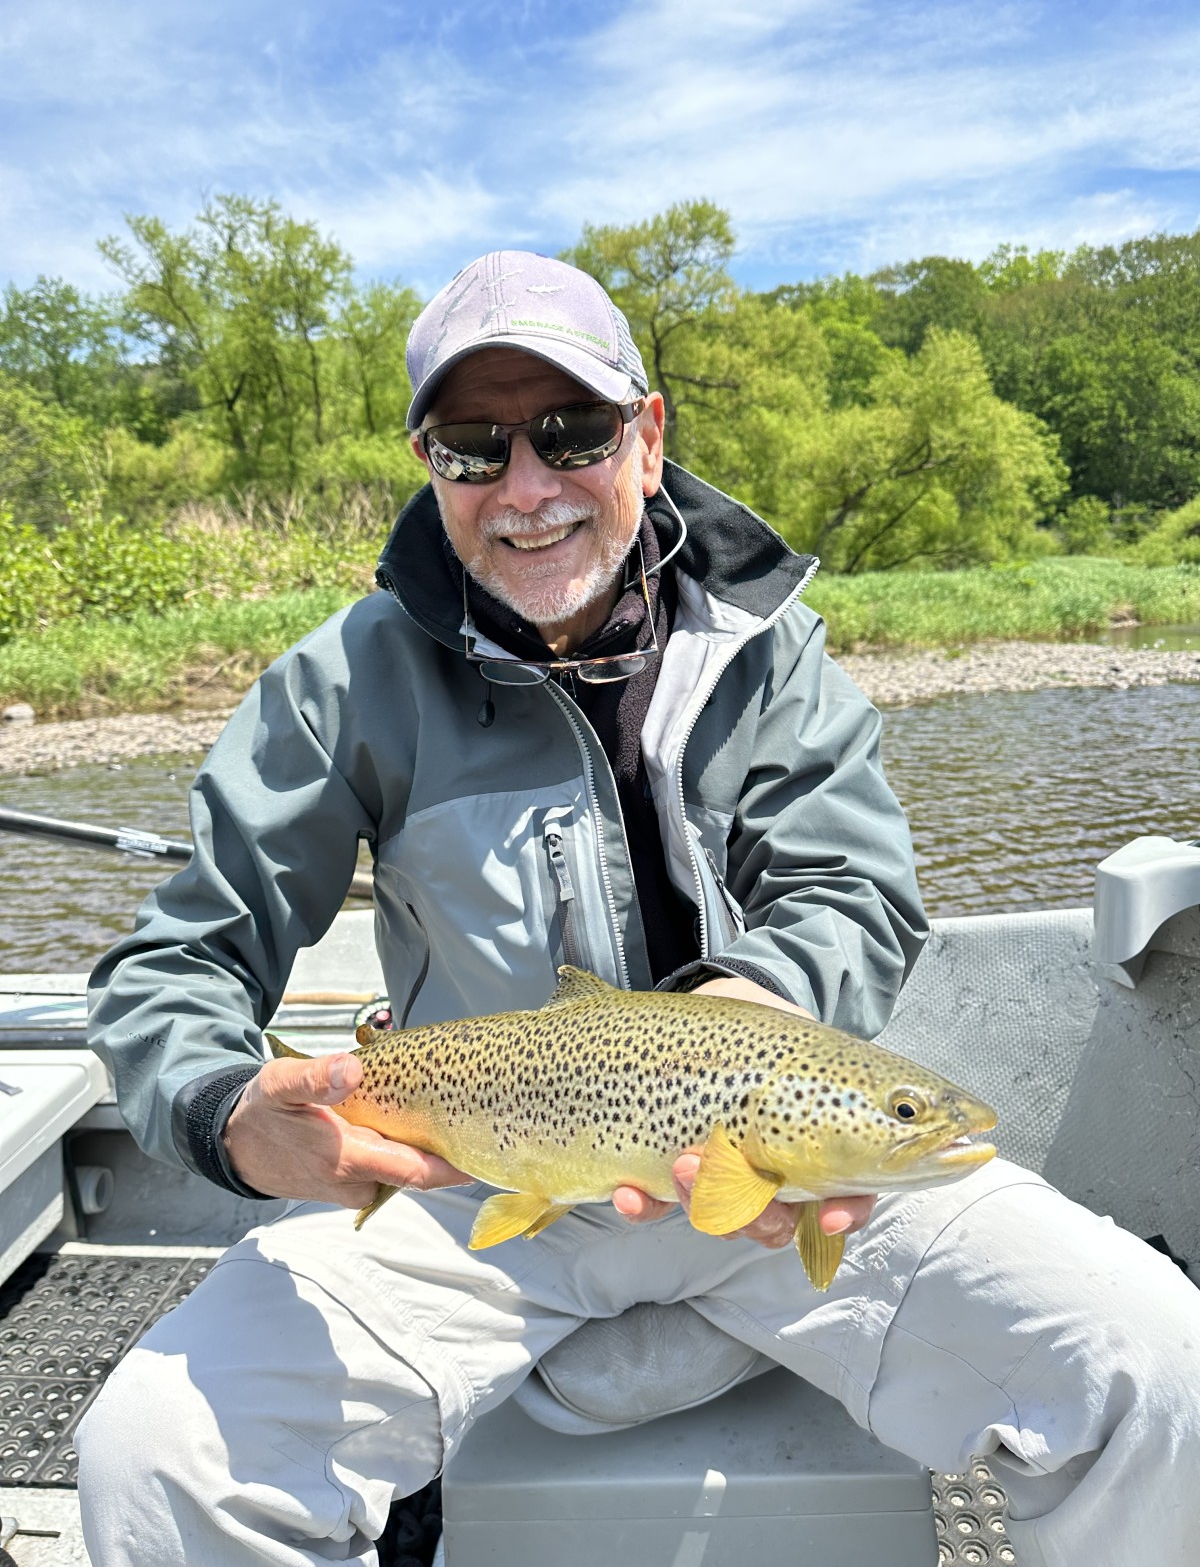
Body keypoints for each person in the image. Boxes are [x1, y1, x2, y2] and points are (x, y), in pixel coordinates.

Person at [77, 251, 1200, 1567]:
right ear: (430, 465)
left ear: (647, 437)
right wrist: (230, 1116)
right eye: (473, 446)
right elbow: (179, 960)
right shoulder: (343, 681)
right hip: (479, 1178)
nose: (528, 487)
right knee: (155, 1458)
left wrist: (752, 1014)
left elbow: (852, 888)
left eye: (572, 431)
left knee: (1158, 1367)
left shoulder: (771, 650)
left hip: (782, 1179)